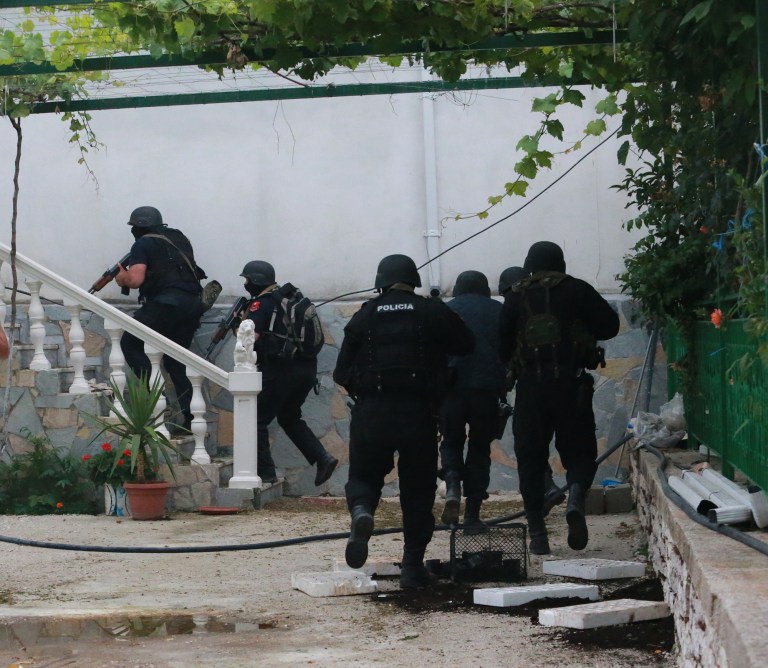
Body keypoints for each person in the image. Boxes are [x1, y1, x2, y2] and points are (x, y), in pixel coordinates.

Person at [333, 254, 473, 588]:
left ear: (380, 282)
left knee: (364, 475)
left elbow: (341, 372)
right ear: (413, 281)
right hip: (417, 413)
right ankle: (411, 568)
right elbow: (466, 343)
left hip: (372, 412)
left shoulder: (365, 314)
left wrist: (365, 390)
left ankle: (363, 511)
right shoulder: (430, 310)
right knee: (418, 490)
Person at [499, 242, 619, 555]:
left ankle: (538, 534)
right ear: (560, 263)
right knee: (580, 450)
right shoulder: (578, 290)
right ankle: (576, 496)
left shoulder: (515, 297)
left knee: (530, 457)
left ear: (529, 265)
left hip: (531, 389)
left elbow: (501, 346)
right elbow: (611, 326)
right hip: (571, 385)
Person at [235, 260, 338, 487]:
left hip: (280, 370)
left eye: (247, 279)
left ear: (256, 280)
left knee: (256, 419)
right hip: (305, 369)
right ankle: (323, 458)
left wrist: (236, 326)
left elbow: (251, 338)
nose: (246, 283)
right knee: (289, 417)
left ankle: (266, 473)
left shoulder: (261, 304)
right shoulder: (288, 300)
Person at [116, 206, 205, 433]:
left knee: (130, 344)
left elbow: (135, 280)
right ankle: (190, 420)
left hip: (165, 305)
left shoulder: (142, 244)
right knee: (176, 362)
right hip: (192, 304)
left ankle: (158, 396)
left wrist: (122, 278)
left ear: (138, 227)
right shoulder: (179, 238)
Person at [438, 270, 505, 531]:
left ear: (457, 288)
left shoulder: (446, 310)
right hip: (486, 391)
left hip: (451, 390)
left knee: (451, 441)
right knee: (479, 448)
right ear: (485, 290)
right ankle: (472, 515)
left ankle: (453, 486)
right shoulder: (498, 310)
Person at [498, 266, 566, 518]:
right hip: (565, 385)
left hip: (530, 388)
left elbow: (503, 350)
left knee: (528, 448)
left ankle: (539, 511)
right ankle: (559, 492)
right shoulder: (551, 302)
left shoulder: (512, 307)